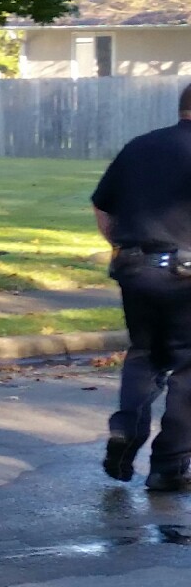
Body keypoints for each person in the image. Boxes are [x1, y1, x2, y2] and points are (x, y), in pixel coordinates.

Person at [91, 81, 191, 491]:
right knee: (188, 365)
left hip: (134, 268)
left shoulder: (140, 146)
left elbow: (102, 204)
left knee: (145, 354)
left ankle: (127, 431)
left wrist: (122, 245)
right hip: (186, 275)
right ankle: (170, 464)